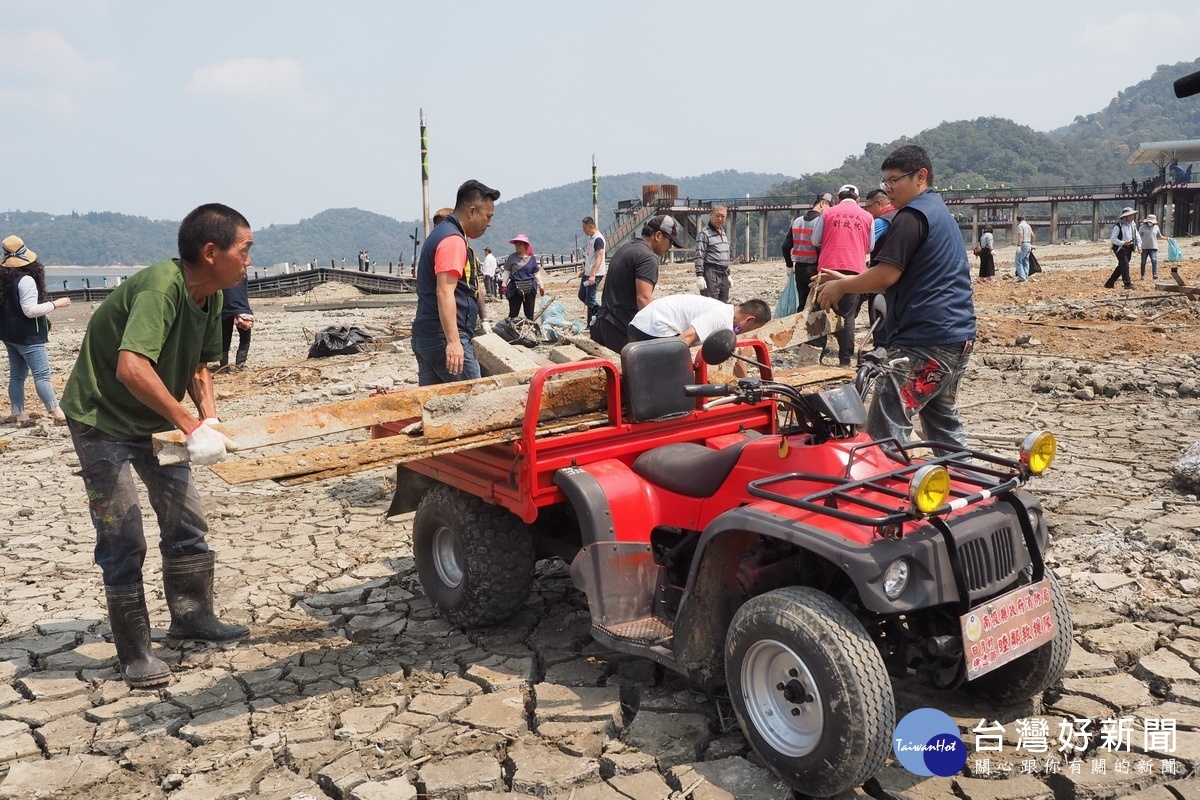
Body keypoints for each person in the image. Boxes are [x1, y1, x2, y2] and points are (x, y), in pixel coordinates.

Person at [59, 203, 254, 688]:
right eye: (245, 249)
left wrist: (208, 417)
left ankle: (192, 616)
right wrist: (189, 425)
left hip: (156, 421)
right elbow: (131, 367)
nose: (250, 260)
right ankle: (135, 651)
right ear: (211, 252)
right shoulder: (160, 288)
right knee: (123, 535)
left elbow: (198, 365)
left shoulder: (211, 295)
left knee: (186, 520)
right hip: (101, 419)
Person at [814, 144, 976, 448]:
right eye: (884, 182)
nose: (888, 190)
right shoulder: (937, 210)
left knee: (886, 424)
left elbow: (886, 276)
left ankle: (880, 491)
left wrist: (841, 287)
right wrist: (847, 278)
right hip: (958, 335)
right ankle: (969, 484)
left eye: (894, 180)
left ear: (921, 176)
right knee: (942, 422)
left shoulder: (911, 216)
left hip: (928, 340)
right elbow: (902, 277)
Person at [411, 179, 498, 385]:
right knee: (474, 399)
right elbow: (444, 292)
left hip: (426, 334)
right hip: (443, 337)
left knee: (433, 406)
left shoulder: (440, 235)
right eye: (488, 216)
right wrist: (453, 342)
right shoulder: (452, 240)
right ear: (471, 211)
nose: (489, 223)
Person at [0, 236, 72, 427]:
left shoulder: (4, 280)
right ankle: (58, 413)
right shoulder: (26, 280)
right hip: (28, 337)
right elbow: (30, 311)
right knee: (42, 375)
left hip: (9, 335)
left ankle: (19, 414)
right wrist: (57, 304)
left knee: (17, 375)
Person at [590, 214, 684, 353]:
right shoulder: (648, 257)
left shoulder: (625, 248)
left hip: (603, 324)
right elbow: (643, 299)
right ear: (658, 236)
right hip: (620, 330)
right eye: (670, 241)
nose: (670, 247)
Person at [811, 184, 875, 366]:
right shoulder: (868, 216)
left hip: (827, 269)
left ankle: (817, 358)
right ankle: (845, 359)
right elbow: (871, 247)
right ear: (858, 199)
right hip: (854, 271)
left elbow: (815, 240)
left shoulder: (827, 213)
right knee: (847, 316)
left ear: (838, 199)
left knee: (821, 312)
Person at [629, 295, 771, 345]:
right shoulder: (720, 317)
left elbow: (733, 358)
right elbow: (685, 339)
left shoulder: (726, 313)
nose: (744, 334)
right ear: (749, 320)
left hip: (643, 323)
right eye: (752, 330)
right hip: (652, 327)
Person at [782, 193, 833, 318]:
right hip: (816, 269)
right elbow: (821, 247)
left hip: (799, 268)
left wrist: (789, 265)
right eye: (830, 207)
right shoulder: (821, 221)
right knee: (817, 304)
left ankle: (801, 330)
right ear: (823, 204)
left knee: (802, 303)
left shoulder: (797, 221)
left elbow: (785, 246)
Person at [694, 205, 731, 301]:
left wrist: (729, 274)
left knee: (723, 305)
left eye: (723, 216)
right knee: (711, 304)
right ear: (711, 215)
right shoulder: (704, 233)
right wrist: (700, 276)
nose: (720, 219)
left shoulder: (723, 232)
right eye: (717, 216)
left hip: (724, 274)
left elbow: (726, 254)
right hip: (711, 273)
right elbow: (699, 255)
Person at [504, 234, 543, 320]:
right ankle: (511, 330)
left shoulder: (532, 259)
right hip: (515, 288)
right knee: (513, 313)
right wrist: (504, 284)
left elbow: (536, 273)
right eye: (516, 244)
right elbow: (507, 271)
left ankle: (530, 328)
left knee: (529, 313)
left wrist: (541, 286)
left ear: (525, 246)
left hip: (530, 287)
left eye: (520, 244)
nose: (518, 246)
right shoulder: (512, 258)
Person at [219, 276, 254, 371]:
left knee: (224, 339)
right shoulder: (243, 275)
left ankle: (223, 367)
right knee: (245, 339)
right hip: (242, 308)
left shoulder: (220, 274)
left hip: (224, 308)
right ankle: (240, 365)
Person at [579, 216, 606, 328]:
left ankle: (594, 322)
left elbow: (599, 257)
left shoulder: (598, 239)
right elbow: (591, 258)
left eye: (585, 228)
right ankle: (599, 312)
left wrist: (593, 274)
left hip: (595, 274)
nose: (584, 230)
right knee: (582, 295)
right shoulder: (592, 238)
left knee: (590, 300)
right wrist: (585, 270)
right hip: (588, 273)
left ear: (591, 226)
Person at [1105, 207, 1138, 289]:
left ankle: (1109, 283)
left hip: (1129, 247)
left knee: (1122, 266)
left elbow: (1136, 235)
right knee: (1125, 265)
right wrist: (1123, 243)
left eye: (1132, 216)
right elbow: (1113, 239)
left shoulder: (1133, 225)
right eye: (1129, 216)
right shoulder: (1118, 226)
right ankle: (1127, 284)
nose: (1131, 217)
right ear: (1125, 217)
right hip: (1119, 247)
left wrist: (1139, 245)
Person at [1138, 213, 1161, 280]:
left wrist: (1167, 238)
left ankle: (1155, 274)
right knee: (1143, 261)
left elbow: (1159, 236)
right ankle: (1142, 275)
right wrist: (1138, 246)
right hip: (1144, 247)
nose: (1150, 223)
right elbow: (1138, 237)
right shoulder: (1142, 227)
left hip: (1153, 247)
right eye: (1149, 221)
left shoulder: (1156, 227)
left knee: (1154, 260)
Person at [1014, 215, 1034, 282]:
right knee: (1026, 261)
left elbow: (1020, 236)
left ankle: (1022, 278)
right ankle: (1025, 276)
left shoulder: (1020, 226)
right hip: (1028, 244)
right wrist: (1031, 244)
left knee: (1018, 262)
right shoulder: (1028, 226)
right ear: (1024, 218)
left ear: (1017, 220)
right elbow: (1033, 236)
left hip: (1023, 244)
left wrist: (1019, 245)